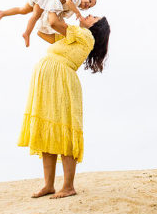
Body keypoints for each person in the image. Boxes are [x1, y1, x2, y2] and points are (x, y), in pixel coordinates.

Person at [17, 13, 110, 198]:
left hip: (62, 82)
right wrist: (60, 11)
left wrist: (57, 4)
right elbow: (42, 32)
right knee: (46, 129)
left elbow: (53, 22)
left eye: (94, 17)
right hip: (48, 82)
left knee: (65, 131)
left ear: (95, 27)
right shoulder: (73, 36)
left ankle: (68, 186)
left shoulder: (85, 35)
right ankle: (48, 185)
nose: (89, 14)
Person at [0, 0, 97, 47]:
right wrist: (78, 13)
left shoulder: (74, 5)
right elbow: (69, 2)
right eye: (89, 1)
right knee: (35, 16)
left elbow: (62, 12)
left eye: (89, 6)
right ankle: (27, 33)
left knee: (23, 10)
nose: (88, 5)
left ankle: (3, 13)